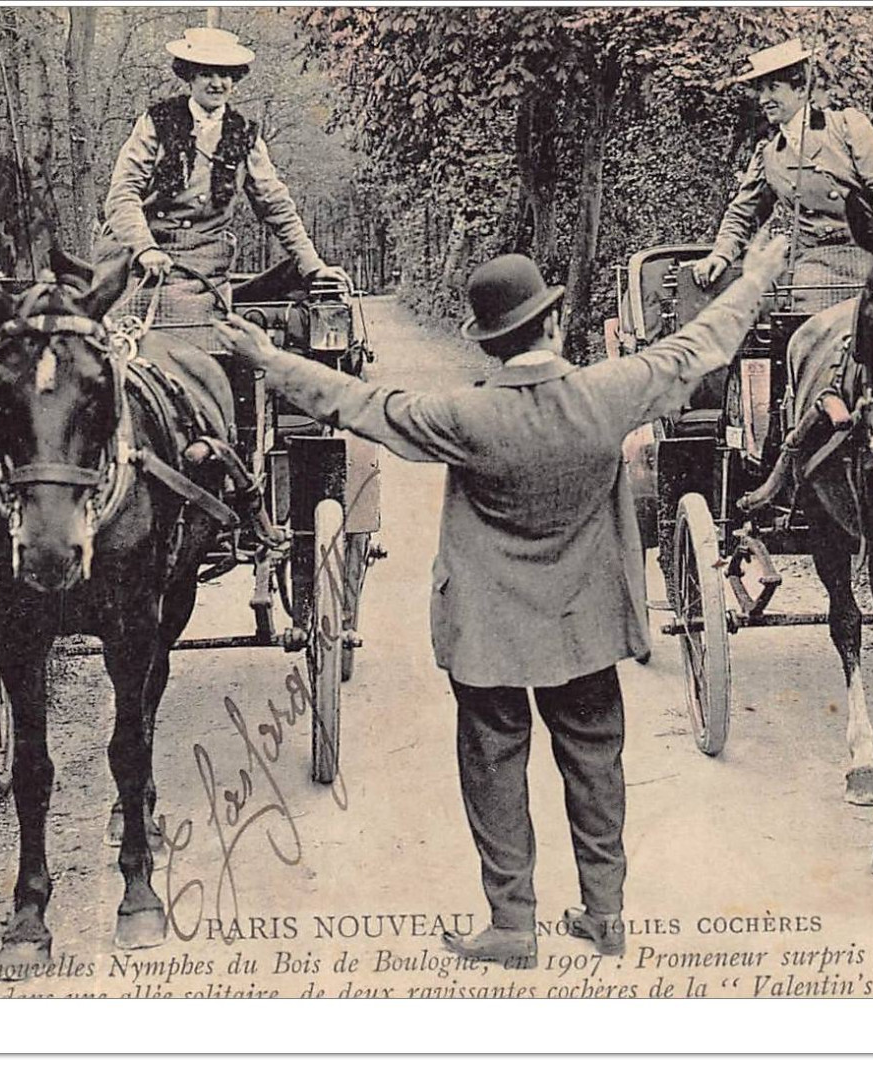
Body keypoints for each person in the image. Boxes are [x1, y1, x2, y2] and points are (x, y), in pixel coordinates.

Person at [213, 233, 790, 966]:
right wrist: (759, 276)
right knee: (594, 763)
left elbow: (353, 401)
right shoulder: (609, 393)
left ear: (488, 342)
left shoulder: (462, 415)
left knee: (492, 765)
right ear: (550, 324)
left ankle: (513, 926)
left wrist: (265, 358)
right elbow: (700, 345)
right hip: (585, 624)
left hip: (486, 630)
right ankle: (605, 916)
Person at [94, 26, 350, 318]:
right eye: (207, 74)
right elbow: (122, 195)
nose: (217, 84)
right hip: (139, 257)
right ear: (190, 76)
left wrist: (313, 266)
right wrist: (145, 249)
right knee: (110, 339)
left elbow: (276, 206)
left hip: (204, 264)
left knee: (210, 340)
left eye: (225, 74)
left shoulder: (243, 135)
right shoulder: (156, 122)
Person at [687, 40, 873, 314]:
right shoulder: (768, 154)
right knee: (811, 331)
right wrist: (720, 253)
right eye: (761, 90)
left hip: (869, 254)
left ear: (800, 88)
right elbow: (742, 214)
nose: (763, 99)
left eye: (773, 88)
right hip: (814, 268)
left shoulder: (845, 126)